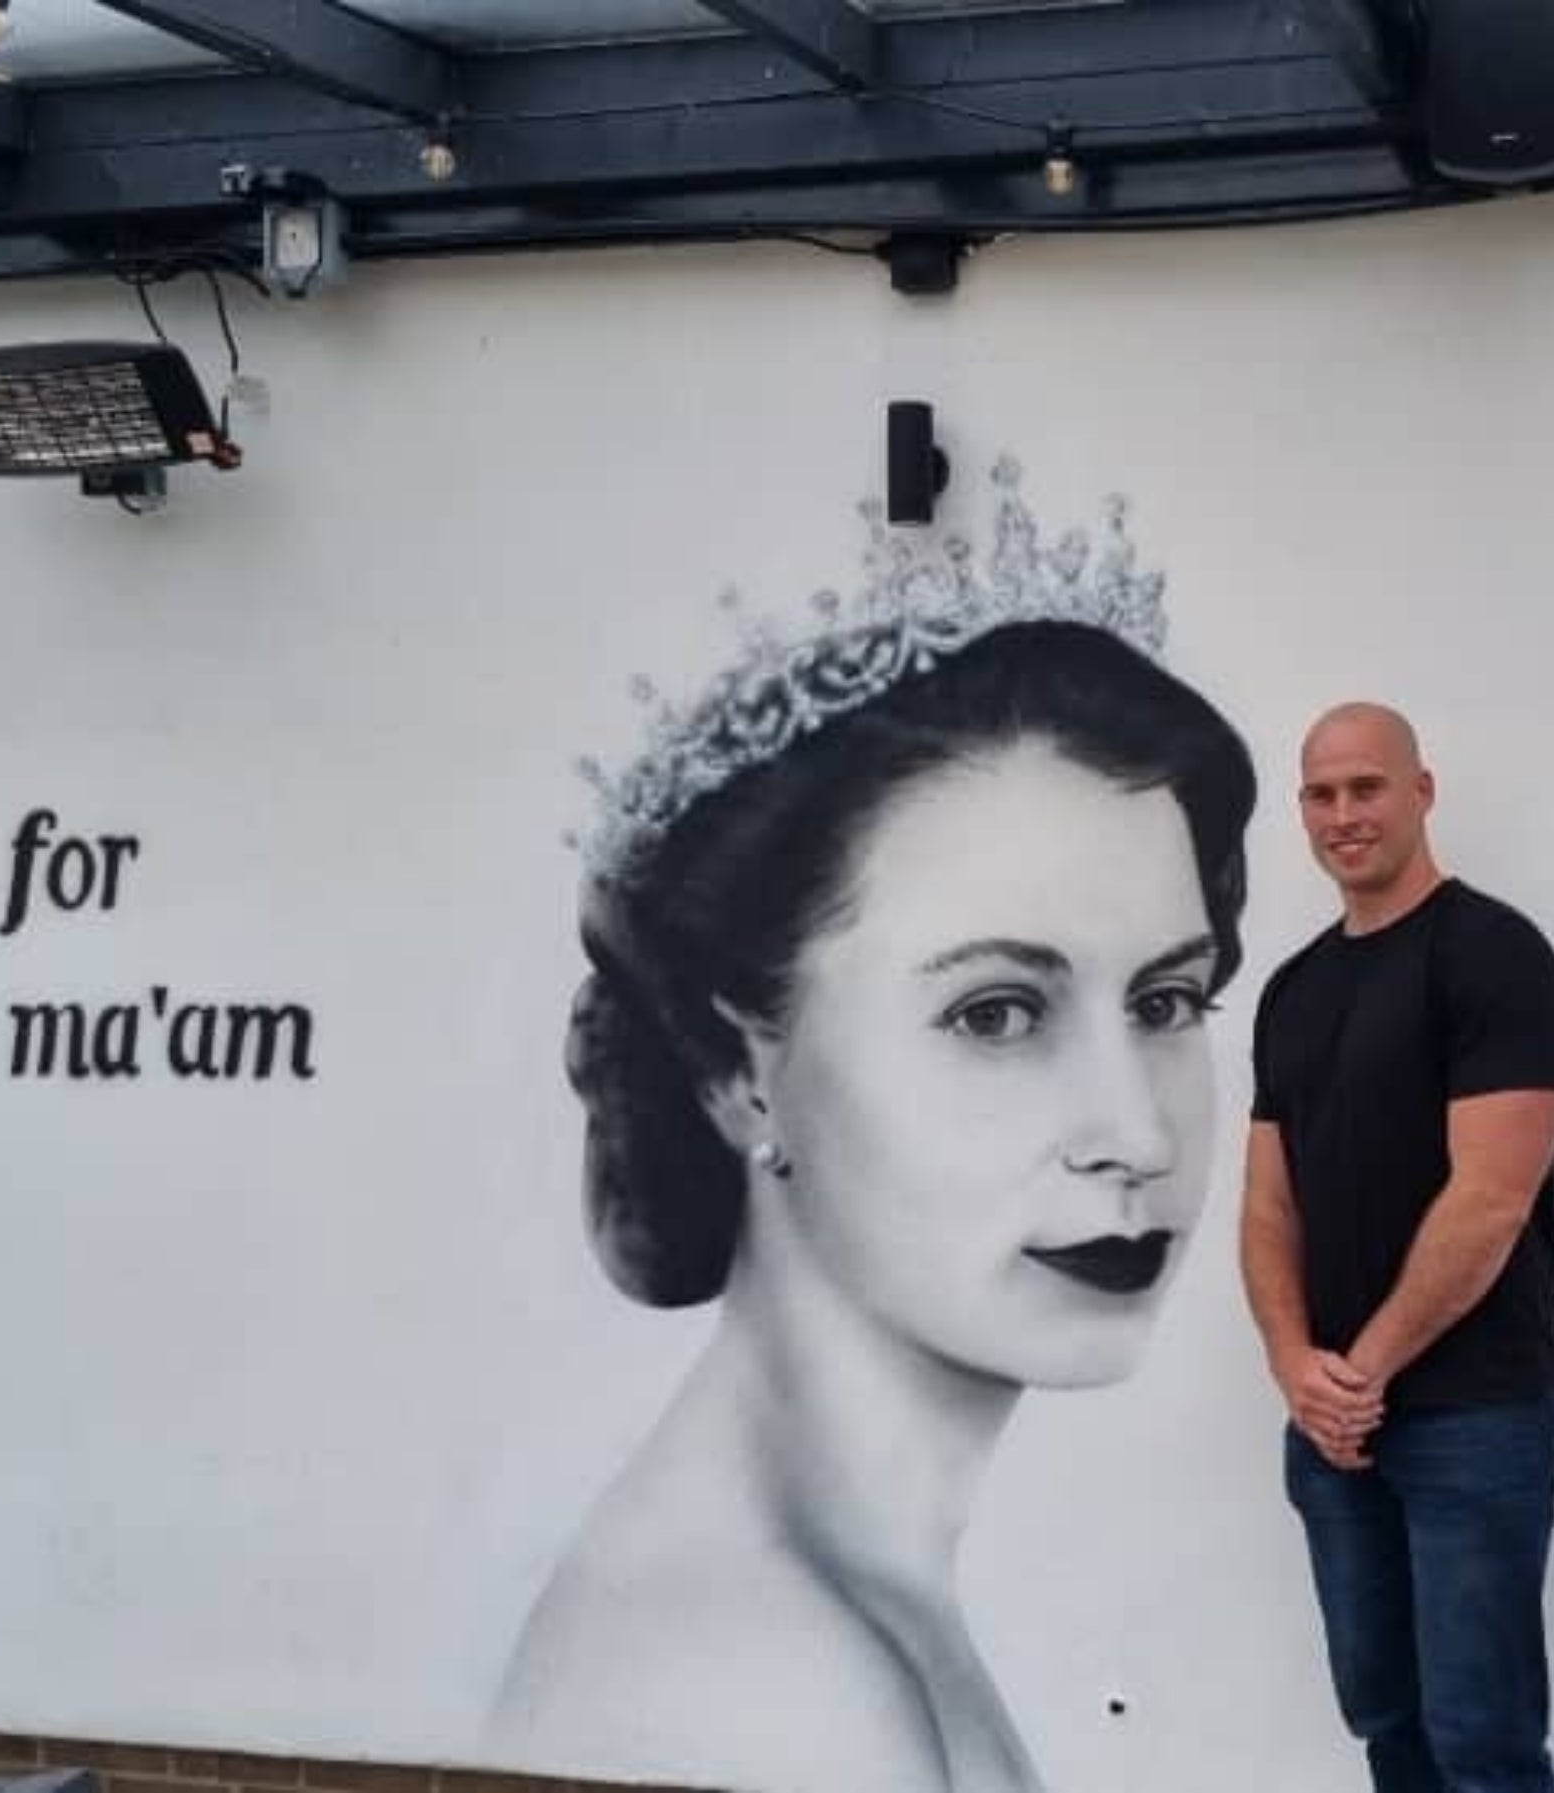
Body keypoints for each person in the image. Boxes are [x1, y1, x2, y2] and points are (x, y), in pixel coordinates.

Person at [487, 481, 1259, 1793]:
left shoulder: (841, 1596)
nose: (1134, 1133)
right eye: (999, 1012)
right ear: (739, 1070)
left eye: (1167, 1000)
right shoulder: (773, 1677)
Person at [1239, 701, 1554, 1793]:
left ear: (1420, 791)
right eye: (1322, 794)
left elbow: (1491, 1197)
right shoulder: (1292, 989)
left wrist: (1361, 1372)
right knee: (1388, 1719)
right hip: (1336, 1424)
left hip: (1474, 1412)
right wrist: (1298, 1364)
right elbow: (1267, 1205)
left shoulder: (1495, 956)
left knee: (1483, 1739)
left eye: (1366, 786)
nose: (1345, 814)